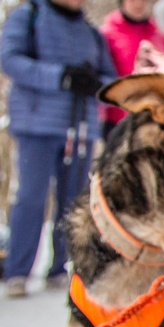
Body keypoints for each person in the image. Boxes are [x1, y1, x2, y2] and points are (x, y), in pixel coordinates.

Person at [0, 0, 117, 298]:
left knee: (73, 201)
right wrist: (60, 76)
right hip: (37, 124)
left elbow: (110, 79)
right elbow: (10, 59)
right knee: (31, 198)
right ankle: (18, 271)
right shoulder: (29, 16)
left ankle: (62, 267)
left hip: (81, 127)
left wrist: (94, 84)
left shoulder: (91, 33)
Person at [99, 0, 164, 137]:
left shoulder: (159, 35)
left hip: (152, 120)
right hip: (117, 121)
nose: (139, 4)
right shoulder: (107, 34)